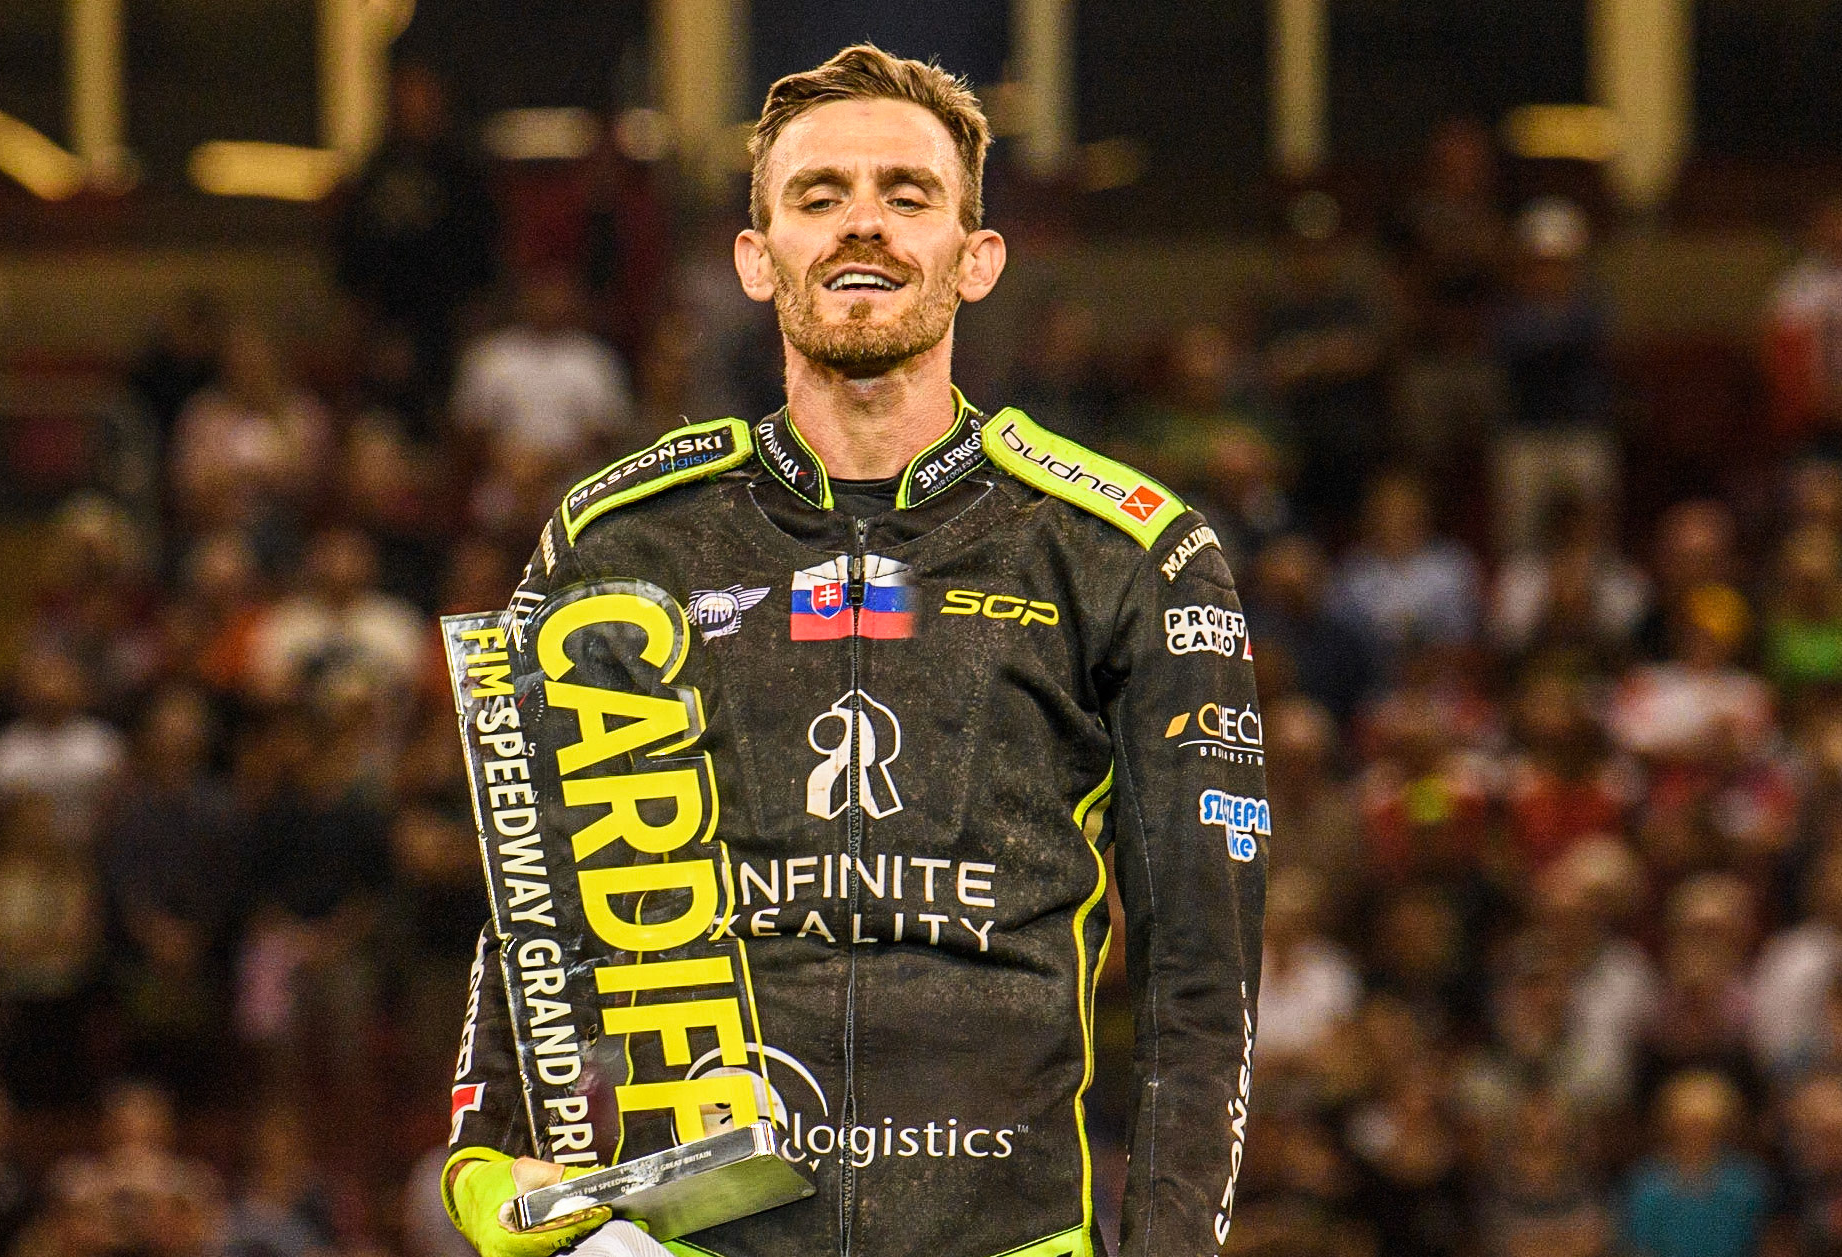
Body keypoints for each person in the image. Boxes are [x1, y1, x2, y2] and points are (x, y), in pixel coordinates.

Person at [440, 44, 1267, 1257]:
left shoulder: (1129, 554)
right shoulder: (618, 541)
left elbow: (1203, 979)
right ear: (755, 256)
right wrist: (481, 1155)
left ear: (975, 259)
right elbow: (528, 885)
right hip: (692, 1239)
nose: (861, 225)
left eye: (907, 194)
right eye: (818, 196)